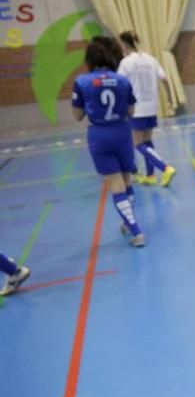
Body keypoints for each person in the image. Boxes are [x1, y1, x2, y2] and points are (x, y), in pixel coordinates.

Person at [72, 42, 144, 247]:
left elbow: (77, 115)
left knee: (115, 183)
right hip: (121, 132)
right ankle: (127, 222)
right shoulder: (122, 80)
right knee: (126, 179)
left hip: (99, 134)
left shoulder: (82, 82)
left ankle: (136, 231)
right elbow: (131, 111)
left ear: (89, 60)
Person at [118, 31, 176, 187]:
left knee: (138, 144)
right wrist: (170, 97)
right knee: (147, 141)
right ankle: (150, 176)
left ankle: (165, 168)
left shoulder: (126, 62)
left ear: (124, 44)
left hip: (137, 108)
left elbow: (120, 84)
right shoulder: (151, 59)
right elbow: (164, 79)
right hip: (152, 105)